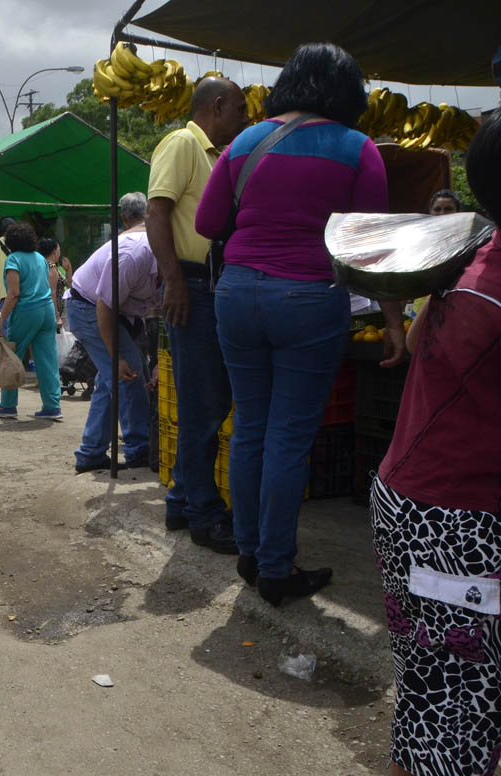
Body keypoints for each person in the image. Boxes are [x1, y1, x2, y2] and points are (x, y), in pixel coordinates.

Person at [197, 42, 394, 604]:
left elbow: (209, 223)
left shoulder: (246, 141)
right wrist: (395, 323)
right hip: (308, 298)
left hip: (236, 295)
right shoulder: (358, 149)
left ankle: (250, 553)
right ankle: (277, 570)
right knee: (287, 436)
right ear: (346, 92)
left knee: (251, 427)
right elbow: (371, 251)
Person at [370, 112, 501, 776]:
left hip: (428, 508)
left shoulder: (475, 255)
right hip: (454, 526)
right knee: (446, 715)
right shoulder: (487, 278)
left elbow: (422, 344)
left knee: (452, 702)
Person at [146, 75, 249, 555]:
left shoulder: (216, 155)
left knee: (208, 402)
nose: (246, 119)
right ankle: (204, 516)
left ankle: (184, 499)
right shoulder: (183, 143)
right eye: (242, 109)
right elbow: (156, 212)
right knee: (202, 406)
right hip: (193, 282)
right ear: (219, 105)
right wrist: (175, 281)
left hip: (208, 283)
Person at [67, 192, 156, 473]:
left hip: (112, 312)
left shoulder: (165, 251)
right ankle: (138, 447)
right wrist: (116, 356)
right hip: (90, 308)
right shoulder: (133, 254)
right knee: (127, 373)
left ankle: (91, 453)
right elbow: (104, 307)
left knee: (114, 378)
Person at [0, 222, 62, 421]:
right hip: (46, 310)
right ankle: (52, 406)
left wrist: (0, 320)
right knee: (47, 360)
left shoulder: (13, 259)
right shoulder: (40, 258)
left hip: (26, 312)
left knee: (12, 355)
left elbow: (13, 294)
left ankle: (7, 404)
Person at [39, 236, 72, 328]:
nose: (59, 252)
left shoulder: (42, 265)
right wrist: (57, 316)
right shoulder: (51, 268)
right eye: (59, 249)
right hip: (56, 309)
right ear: (54, 251)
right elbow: (52, 293)